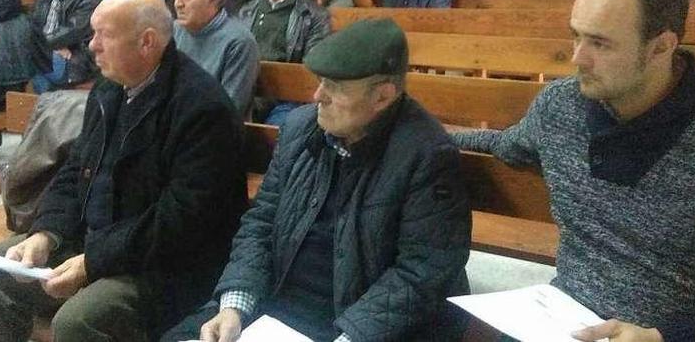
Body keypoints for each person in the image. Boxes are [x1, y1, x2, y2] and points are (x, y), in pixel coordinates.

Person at [454, 0, 695, 342]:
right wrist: (421, 131)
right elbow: (502, 145)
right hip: (560, 319)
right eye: (576, 37)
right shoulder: (560, 107)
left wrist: (663, 336)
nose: (577, 58)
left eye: (599, 43)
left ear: (661, 47)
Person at [0, 0, 247, 342]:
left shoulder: (202, 109)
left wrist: (93, 262)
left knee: (79, 320)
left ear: (147, 42)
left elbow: (180, 222)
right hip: (97, 240)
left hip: (164, 266)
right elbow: (75, 170)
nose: (91, 45)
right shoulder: (109, 89)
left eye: (104, 35)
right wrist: (46, 234)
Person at [162, 18, 471, 342]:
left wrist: (351, 336)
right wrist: (235, 304)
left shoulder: (426, 154)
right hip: (276, 305)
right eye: (321, 81)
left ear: (383, 96)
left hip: (360, 323)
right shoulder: (301, 128)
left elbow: (421, 272)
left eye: (335, 87)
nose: (317, 95)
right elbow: (261, 223)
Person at [238, 0, 330, 124]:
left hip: (286, 100)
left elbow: (310, 73)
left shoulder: (314, 16)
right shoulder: (246, 12)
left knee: (282, 128)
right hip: (247, 92)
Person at [171, 0, 259, 117]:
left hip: (211, 130)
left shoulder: (239, 42)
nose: (177, 3)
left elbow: (229, 108)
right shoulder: (173, 30)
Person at [30, 0, 101, 94]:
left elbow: (70, 33)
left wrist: (39, 44)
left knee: (21, 54)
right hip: (50, 53)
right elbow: (33, 26)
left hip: (76, 60)